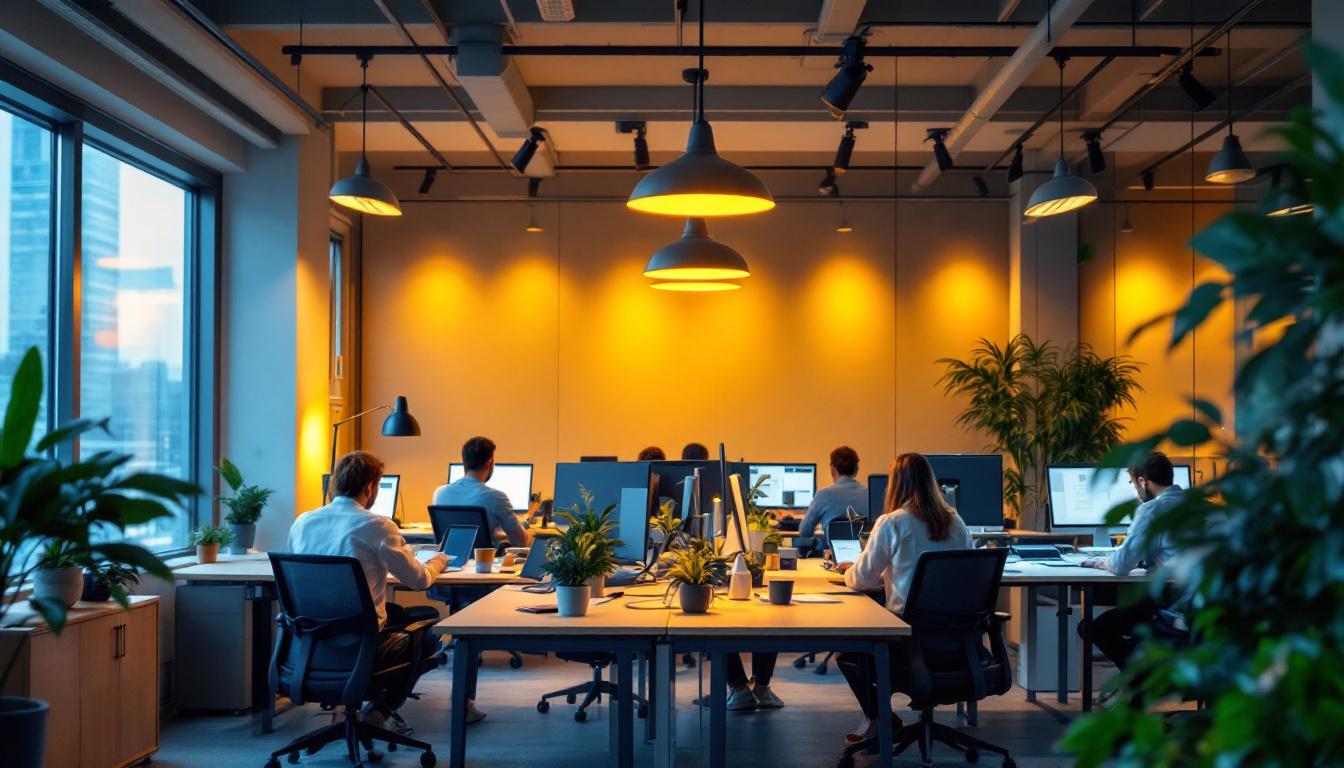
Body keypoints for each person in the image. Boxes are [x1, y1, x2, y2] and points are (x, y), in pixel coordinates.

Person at [287, 451, 487, 725]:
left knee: (408, 613)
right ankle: (380, 711)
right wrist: (438, 561)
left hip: (312, 640)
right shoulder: (376, 525)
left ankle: (354, 708)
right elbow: (418, 580)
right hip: (361, 642)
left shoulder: (302, 522)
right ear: (370, 486)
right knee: (427, 632)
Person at [834, 453, 973, 743]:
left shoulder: (892, 523)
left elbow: (861, 580)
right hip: (957, 642)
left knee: (849, 656)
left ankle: (881, 719)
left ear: (896, 484)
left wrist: (850, 568)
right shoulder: (957, 522)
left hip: (907, 641)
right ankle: (883, 721)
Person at [1080, 452, 1189, 670]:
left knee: (1093, 627)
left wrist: (1103, 563)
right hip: (1206, 603)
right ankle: (1142, 678)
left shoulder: (1152, 509)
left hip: (1175, 605)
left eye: (1133, 484)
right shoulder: (1202, 505)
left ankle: (1140, 678)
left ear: (1143, 482)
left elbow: (1121, 565)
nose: (1135, 491)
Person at [432, 436, 533, 547]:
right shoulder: (496, 497)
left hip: (448, 562)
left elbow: (463, 535)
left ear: (464, 462)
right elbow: (520, 542)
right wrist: (531, 532)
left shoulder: (439, 493)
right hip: (484, 563)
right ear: (489, 463)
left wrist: (495, 534)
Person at [797, 446, 867, 546]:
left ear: (832, 470)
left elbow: (804, 531)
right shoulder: (869, 494)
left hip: (832, 558)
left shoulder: (823, 494)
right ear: (856, 469)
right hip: (864, 558)